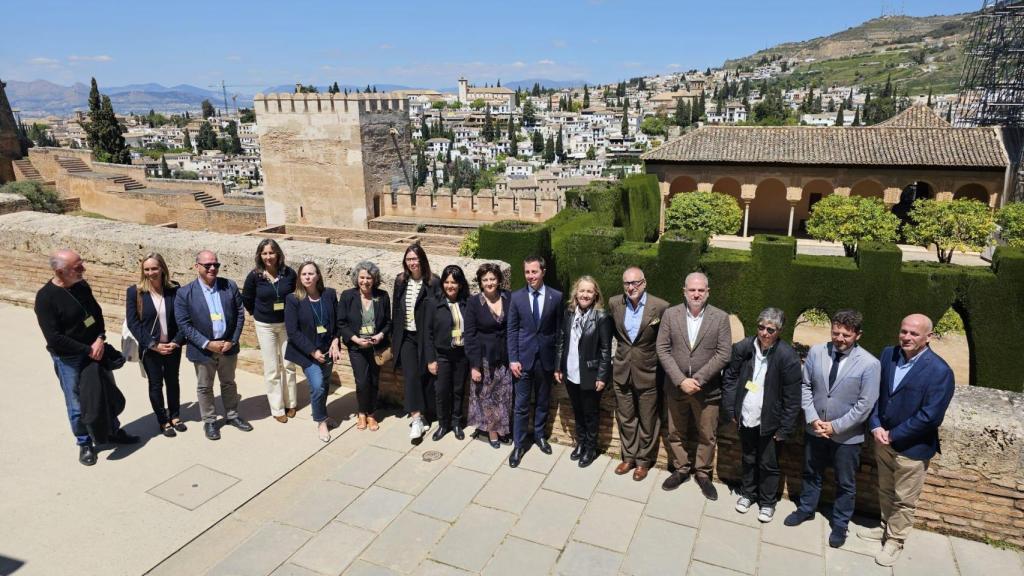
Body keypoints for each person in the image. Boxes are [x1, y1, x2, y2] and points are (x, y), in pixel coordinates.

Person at [861, 314, 955, 567]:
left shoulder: (940, 371)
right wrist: (875, 425)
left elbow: (930, 416)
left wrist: (893, 434)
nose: (907, 337)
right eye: (904, 331)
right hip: (882, 440)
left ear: (928, 337)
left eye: (914, 333)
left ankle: (895, 541)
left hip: (912, 448)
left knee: (904, 499)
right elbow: (876, 393)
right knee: (885, 489)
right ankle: (885, 527)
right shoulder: (888, 354)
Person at [784, 309, 880, 548]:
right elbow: (805, 386)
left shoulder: (870, 364)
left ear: (858, 335)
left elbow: (865, 405)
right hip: (815, 429)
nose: (839, 338)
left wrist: (835, 427)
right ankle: (806, 509)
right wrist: (812, 418)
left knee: (845, 483)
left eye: (846, 335)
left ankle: (840, 524)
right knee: (811, 472)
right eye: (836, 333)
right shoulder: (817, 352)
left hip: (846, 437)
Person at [35, 249, 139, 466]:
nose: (83, 269)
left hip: (96, 351)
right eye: (77, 267)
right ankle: (84, 443)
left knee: (105, 393)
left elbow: (96, 314)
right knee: (77, 404)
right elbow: (54, 338)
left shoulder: (82, 286)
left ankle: (112, 430)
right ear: (60, 272)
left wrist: (100, 338)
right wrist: (87, 349)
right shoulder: (45, 298)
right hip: (70, 359)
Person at [721, 307, 802, 524]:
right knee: (748, 458)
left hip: (769, 421)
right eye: (761, 327)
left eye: (770, 329)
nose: (764, 333)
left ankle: (767, 502)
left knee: (768, 464)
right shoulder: (744, 348)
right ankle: (748, 494)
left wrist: (785, 428)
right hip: (746, 415)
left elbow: (793, 397)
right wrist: (731, 408)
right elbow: (730, 378)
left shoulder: (787, 357)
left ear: (779, 331)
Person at [656, 271, 732, 499]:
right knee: (675, 432)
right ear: (684, 291)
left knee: (707, 434)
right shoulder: (670, 315)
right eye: (692, 290)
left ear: (708, 292)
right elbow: (662, 348)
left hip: (706, 390)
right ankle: (681, 469)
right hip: (676, 387)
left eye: (701, 290)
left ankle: (703, 474)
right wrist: (681, 380)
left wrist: (697, 379)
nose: (696, 294)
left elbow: (724, 353)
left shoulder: (720, 318)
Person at [175, 250, 252, 440]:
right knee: (205, 387)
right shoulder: (185, 293)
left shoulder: (229, 286)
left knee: (229, 383)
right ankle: (209, 421)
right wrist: (207, 343)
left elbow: (240, 314)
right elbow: (184, 324)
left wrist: (232, 340)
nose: (212, 268)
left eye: (215, 265)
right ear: (197, 266)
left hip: (227, 347)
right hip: (203, 350)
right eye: (207, 265)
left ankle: (232, 415)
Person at [607, 266, 669, 481]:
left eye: (635, 283)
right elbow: (616, 335)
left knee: (648, 420)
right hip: (622, 370)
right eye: (627, 283)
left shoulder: (660, 307)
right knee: (626, 418)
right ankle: (628, 457)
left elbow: (665, 342)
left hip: (648, 372)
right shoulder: (615, 303)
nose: (631, 287)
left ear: (644, 283)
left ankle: (643, 461)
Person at [507, 255, 563, 468]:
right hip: (523, 360)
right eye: (527, 272)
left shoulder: (556, 297)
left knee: (542, 401)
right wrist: (513, 359)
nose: (530, 276)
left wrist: (558, 364)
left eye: (534, 271)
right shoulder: (517, 297)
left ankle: (539, 435)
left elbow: (559, 332)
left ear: (543, 272)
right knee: (521, 405)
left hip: (546, 360)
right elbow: (512, 330)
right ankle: (519, 444)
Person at [125, 252, 186, 437]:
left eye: (154, 268)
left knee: (173, 381)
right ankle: (163, 420)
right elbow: (133, 323)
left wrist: (176, 341)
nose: (150, 273)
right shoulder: (135, 292)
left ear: (162, 269)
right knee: (155, 384)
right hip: (150, 348)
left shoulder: (174, 288)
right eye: (147, 269)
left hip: (172, 345)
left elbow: (183, 318)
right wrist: (152, 344)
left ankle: (175, 416)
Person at [555, 275, 613, 468]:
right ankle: (580, 443)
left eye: (589, 291)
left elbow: (606, 349)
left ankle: (590, 448)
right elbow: (562, 341)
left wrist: (602, 376)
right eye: (582, 291)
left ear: (595, 294)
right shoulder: (569, 313)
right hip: (571, 371)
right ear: (576, 293)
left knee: (590, 413)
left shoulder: (601, 317)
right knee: (577, 410)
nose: (585, 295)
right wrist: (558, 367)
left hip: (590, 374)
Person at [242, 239, 298, 423]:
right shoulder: (255, 276)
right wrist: (257, 313)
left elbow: (297, 295)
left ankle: (291, 403)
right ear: (260, 255)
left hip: (286, 325)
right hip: (265, 326)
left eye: (271, 253)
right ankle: (277, 408)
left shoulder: (289, 273)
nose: (268, 257)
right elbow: (247, 298)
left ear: (278, 254)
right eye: (264, 253)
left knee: (289, 365)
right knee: (272, 368)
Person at [285, 261, 340, 442]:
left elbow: (338, 321)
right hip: (308, 353)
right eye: (304, 274)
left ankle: (323, 414)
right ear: (299, 277)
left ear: (318, 276)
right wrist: (312, 351)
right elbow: (293, 332)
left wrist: (335, 340)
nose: (307, 277)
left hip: (328, 350)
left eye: (311, 273)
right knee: (317, 386)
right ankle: (321, 421)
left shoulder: (329, 294)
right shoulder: (293, 299)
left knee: (324, 385)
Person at [391, 243, 441, 440]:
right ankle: (416, 419)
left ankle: (425, 413)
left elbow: (438, 312)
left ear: (422, 260)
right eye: (409, 259)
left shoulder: (433, 282)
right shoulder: (400, 280)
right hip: (406, 337)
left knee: (425, 376)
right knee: (411, 376)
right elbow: (396, 310)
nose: (412, 262)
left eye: (415, 258)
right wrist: (394, 339)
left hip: (426, 337)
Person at [336, 261, 391, 431]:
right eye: (362, 277)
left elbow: (388, 322)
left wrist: (380, 335)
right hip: (357, 347)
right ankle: (361, 413)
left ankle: (371, 414)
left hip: (376, 347)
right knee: (362, 382)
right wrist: (355, 339)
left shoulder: (382, 296)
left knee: (374, 381)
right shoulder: (348, 296)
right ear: (356, 278)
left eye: (369, 278)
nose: (365, 281)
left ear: (374, 279)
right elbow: (341, 322)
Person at [464, 263, 513, 449]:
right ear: (480, 282)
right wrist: (474, 365)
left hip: (505, 356)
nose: (489, 282)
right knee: (488, 397)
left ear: (498, 279)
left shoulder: (508, 297)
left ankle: (502, 429)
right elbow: (470, 335)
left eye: (492, 278)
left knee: (504, 395)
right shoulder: (474, 303)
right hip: (485, 358)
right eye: (485, 280)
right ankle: (492, 431)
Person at [424, 265, 471, 441]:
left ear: (460, 284)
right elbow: (427, 334)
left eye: (454, 282)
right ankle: (443, 424)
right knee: (442, 391)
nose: (450, 286)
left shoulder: (467, 303)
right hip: (442, 355)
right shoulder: (433, 303)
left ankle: (456, 423)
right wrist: (431, 360)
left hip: (461, 355)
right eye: (447, 282)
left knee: (458, 390)